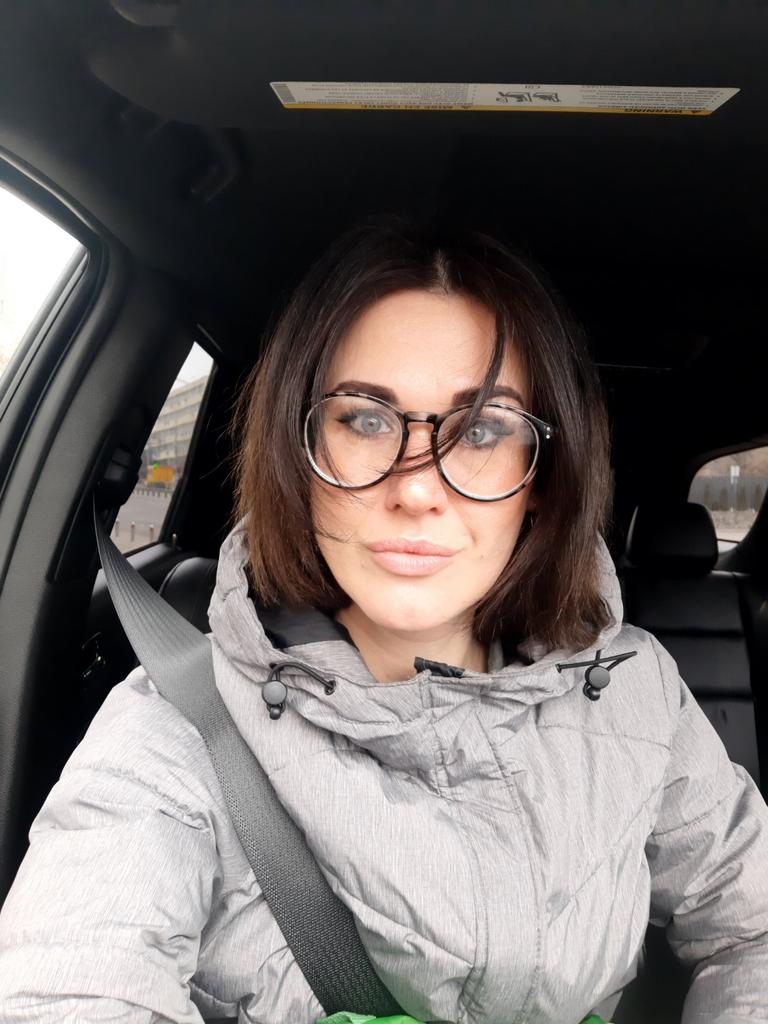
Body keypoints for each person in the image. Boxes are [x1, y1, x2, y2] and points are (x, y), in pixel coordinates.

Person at [0, 215, 767, 1024]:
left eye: (481, 430)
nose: (417, 487)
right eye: (366, 419)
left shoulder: (637, 691)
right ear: (300, 453)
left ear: (541, 479)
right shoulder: (181, 726)